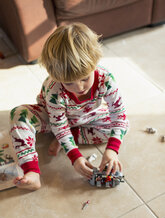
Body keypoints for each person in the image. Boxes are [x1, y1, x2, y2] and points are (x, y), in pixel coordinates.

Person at [10, 23, 129, 190]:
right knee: (19, 115)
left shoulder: (106, 79)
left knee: (121, 127)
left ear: (95, 63)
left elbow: (119, 115)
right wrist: (74, 156)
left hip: (85, 116)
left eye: (84, 78)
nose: (79, 88)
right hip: (52, 119)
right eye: (69, 83)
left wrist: (112, 150)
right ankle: (32, 171)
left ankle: (71, 134)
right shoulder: (54, 89)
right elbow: (58, 125)